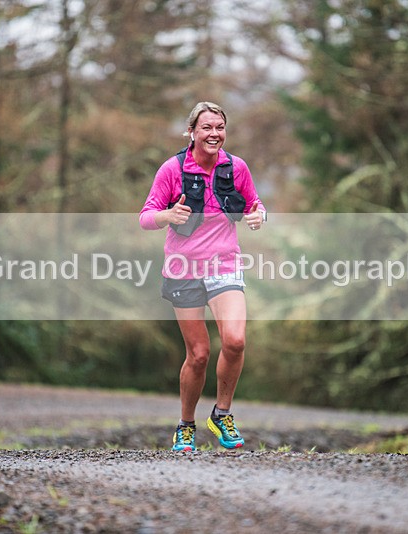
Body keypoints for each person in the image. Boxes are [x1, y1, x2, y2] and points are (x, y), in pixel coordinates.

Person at [139, 101, 266, 452]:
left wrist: (259, 216)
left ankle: (222, 414)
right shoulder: (172, 169)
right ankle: (186, 425)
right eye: (207, 127)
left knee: (236, 340)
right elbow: (145, 217)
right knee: (198, 354)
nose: (214, 133)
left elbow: (255, 204)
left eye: (219, 127)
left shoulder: (236, 167)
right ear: (192, 132)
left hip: (224, 264)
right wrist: (168, 215)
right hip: (183, 270)